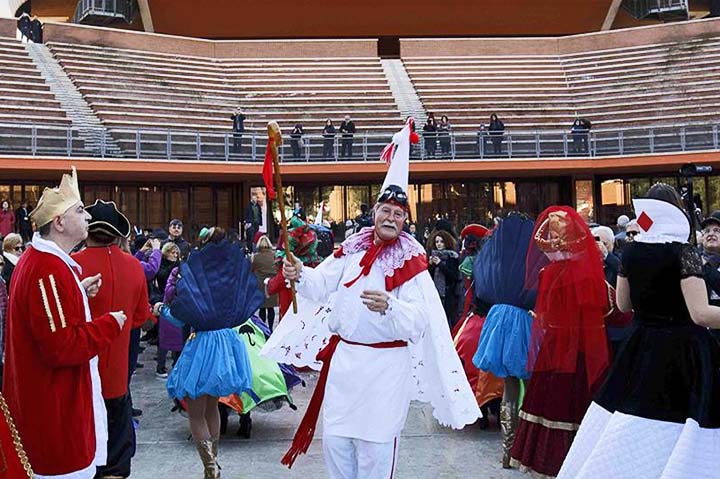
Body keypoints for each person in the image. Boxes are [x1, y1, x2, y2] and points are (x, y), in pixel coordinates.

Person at [265, 118, 479, 477]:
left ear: (405, 220)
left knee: (374, 455)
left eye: (398, 214)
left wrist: (390, 306)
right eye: (385, 210)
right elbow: (321, 285)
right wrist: (299, 274)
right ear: (375, 211)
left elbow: (419, 320)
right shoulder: (353, 247)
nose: (390, 218)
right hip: (344, 364)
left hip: (384, 371)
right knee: (335, 445)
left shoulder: (410, 262)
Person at [558, 183, 720, 478]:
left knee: (631, 423)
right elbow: (701, 314)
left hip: (640, 347)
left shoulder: (631, 252)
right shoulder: (684, 253)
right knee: (687, 428)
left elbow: (623, 304)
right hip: (684, 353)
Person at [2, 167, 126, 478]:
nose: (87, 217)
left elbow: (45, 318)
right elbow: (62, 346)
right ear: (59, 222)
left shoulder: (41, 263)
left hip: (43, 413)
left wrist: (77, 292)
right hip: (54, 421)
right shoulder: (49, 269)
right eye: (80, 210)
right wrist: (111, 322)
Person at [511, 206, 611, 477]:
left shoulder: (549, 273)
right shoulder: (590, 275)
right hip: (581, 349)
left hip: (554, 348)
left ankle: (546, 462)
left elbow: (543, 316)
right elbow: (610, 311)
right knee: (579, 401)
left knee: (550, 400)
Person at [165, 227, 261, 479]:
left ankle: (210, 469)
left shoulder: (194, 271)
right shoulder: (233, 271)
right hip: (226, 344)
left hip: (203, 346)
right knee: (211, 407)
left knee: (196, 412)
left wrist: (160, 311)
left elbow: (179, 314)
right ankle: (214, 463)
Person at [73, 200, 152, 479]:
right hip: (117, 375)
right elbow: (141, 317)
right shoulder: (134, 266)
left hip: (79, 377)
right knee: (117, 455)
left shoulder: (72, 266)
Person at [472, 212, 539, 468]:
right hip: (522, 319)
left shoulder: (496, 255)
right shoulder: (530, 256)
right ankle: (527, 449)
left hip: (499, 316)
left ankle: (507, 452)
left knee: (510, 387)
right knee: (529, 384)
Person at [155, 242, 183, 378]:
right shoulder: (164, 265)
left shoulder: (180, 269)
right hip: (165, 304)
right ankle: (160, 366)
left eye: (176, 253)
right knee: (165, 340)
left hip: (177, 307)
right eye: (172, 252)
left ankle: (176, 366)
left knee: (178, 340)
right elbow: (162, 279)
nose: (175, 255)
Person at [427, 230, 460, 327]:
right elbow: (429, 277)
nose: (439, 244)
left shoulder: (452, 256)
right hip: (435, 294)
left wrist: (440, 264)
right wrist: (430, 265)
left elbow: (453, 275)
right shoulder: (433, 255)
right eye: (437, 242)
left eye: (441, 241)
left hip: (448, 294)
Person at [252, 235, 278, 330]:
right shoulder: (274, 255)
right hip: (272, 284)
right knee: (271, 308)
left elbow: (252, 269)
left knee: (262, 308)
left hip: (260, 285)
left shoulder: (255, 257)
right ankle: (271, 327)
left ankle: (263, 328)